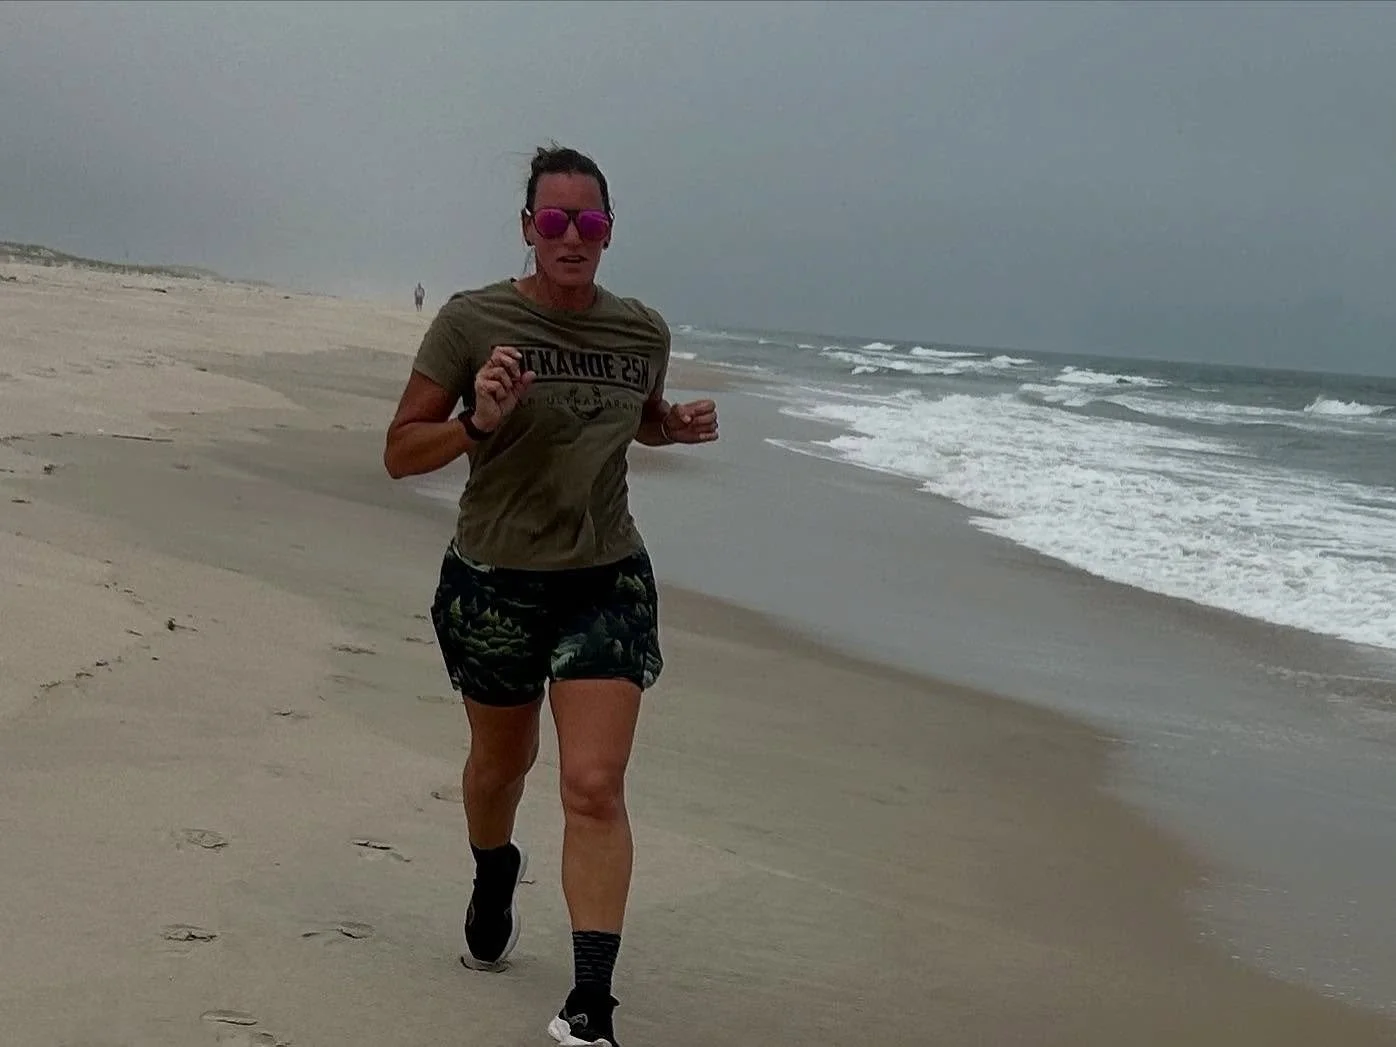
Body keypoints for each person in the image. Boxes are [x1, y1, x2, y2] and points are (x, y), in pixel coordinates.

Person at [383, 144, 719, 1046]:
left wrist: (672, 429)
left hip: (604, 578)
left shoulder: (639, 331)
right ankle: (494, 869)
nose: (574, 236)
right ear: (528, 227)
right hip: (493, 581)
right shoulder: (470, 321)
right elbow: (399, 449)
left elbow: (636, 417)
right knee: (501, 769)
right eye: (556, 220)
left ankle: (591, 1009)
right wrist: (475, 423)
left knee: (595, 785)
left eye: (592, 221)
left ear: (610, 232)